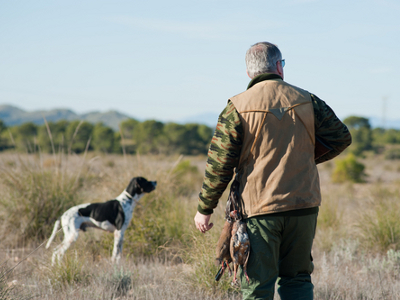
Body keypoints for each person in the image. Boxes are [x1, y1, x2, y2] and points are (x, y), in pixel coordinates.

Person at [194, 42, 351, 300]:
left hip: (259, 210)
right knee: (298, 279)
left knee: (257, 285)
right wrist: (302, 159)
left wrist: (205, 209)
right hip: (304, 205)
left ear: (249, 73)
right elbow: (341, 138)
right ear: (279, 67)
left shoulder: (237, 106)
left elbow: (220, 164)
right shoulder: (307, 100)